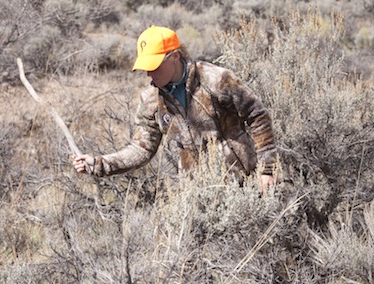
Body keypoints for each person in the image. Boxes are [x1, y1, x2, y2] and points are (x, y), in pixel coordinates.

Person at [73, 25, 277, 192]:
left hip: (247, 186)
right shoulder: (151, 101)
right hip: (197, 195)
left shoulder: (215, 79)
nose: (148, 73)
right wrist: (99, 164)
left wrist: (267, 169)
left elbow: (257, 115)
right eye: (145, 67)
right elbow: (141, 149)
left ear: (175, 56)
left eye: (154, 65)